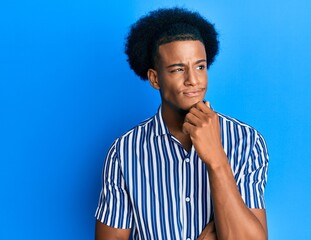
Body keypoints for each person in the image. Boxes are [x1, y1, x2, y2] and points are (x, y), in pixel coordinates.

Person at [95, 7, 269, 240]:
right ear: (155, 78)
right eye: (178, 69)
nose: (193, 80)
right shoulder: (124, 152)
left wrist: (217, 159)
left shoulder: (246, 142)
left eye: (200, 66)